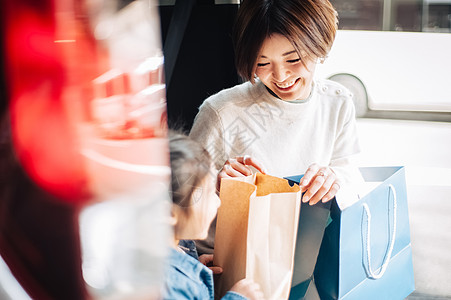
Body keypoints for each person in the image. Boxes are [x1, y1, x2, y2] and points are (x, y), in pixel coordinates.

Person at [190, 0, 364, 255]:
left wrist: (335, 179)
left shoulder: (338, 102)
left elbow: (351, 175)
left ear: (321, 43)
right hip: (232, 263)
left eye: (293, 59)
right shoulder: (221, 112)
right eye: (262, 64)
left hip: (307, 258)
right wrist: (214, 188)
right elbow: (178, 203)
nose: (280, 76)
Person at [164, 131, 264, 300]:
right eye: (209, 193)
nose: (218, 202)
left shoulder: (177, 248)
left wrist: (194, 270)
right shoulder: (169, 286)